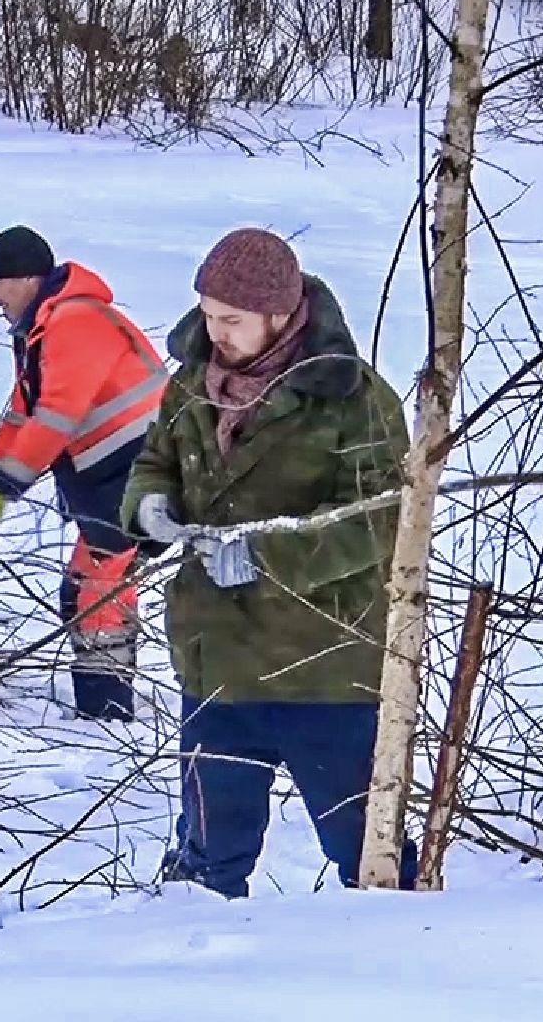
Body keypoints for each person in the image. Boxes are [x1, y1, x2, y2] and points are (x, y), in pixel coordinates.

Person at [120, 226, 419, 896]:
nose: (213, 330)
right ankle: (188, 982)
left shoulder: (354, 397)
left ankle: (401, 973)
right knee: (205, 864)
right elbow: (154, 462)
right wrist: (150, 509)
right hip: (216, 658)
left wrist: (265, 555)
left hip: (323, 664)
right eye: (207, 314)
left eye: (231, 319)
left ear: (281, 316)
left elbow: (380, 520)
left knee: (367, 854)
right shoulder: (192, 385)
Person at [0, 226, 169, 722]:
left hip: (142, 472)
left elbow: (56, 417)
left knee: (98, 588)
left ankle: (106, 715)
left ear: (27, 279)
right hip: (113, 475)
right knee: (88, 586)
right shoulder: (43, 328)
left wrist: (2, 492)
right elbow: (21, 416)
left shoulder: (75, 321)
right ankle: (102, 707)